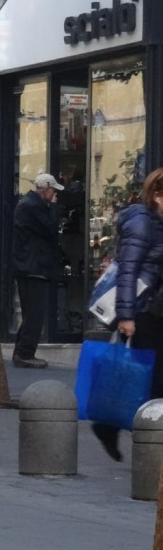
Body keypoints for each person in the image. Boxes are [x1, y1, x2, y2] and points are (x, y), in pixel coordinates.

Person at [91, 168, 163, 461]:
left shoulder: (158, 222)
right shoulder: (143, 223)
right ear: (157, 196)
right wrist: (126, 316)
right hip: (143, 311)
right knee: (149, 377)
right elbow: (127, 272)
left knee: (146, 375)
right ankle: (147, 443)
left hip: (155, 309)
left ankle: (112, 427)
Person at [11, 172, 64, 368]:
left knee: (31, 313)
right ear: (46, 190)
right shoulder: (33, 207)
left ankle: (22, 351)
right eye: (53, 191)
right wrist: (54, 207)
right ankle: (25, 353)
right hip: (33, 267)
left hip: (30, 266)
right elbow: (50, 228)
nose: (55, 195)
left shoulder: (28, 204)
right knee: (35, 313)